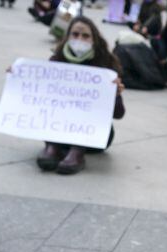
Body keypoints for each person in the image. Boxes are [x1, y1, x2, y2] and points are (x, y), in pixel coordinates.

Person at [35, 17, 125, 174]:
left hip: (94, 137)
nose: (79, 39)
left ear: (94, 39)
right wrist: (18, 76)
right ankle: (52, 148)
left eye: (85, 36)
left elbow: (118, 114)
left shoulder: (105, 65)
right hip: (58, 129)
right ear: (67, 36)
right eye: (75, 34)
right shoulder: (56, 61)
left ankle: (77, 153)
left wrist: (115, 95)